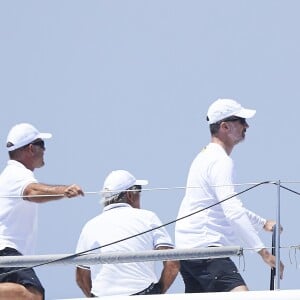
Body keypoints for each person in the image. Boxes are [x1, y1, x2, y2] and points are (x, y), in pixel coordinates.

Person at [175, 98, 284, 293]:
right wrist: (263, 252)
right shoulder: (220, 161)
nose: (247, 125)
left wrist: (261, 223)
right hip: (208, 250)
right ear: (225, 126)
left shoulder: (204, 156)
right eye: (241, 120)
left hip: (188, 253)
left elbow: (223, 204)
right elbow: (232, 210)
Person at [0, 123, 84, 300]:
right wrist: (64, 191)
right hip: (7, 250)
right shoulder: (16, 174)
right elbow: (32, 191)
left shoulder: (10, 175)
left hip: (6, 252)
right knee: (33, 295)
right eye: (42, 145)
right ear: (31, 148)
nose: (45, 150)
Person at [76, 169, 179, 297]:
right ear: (130, 195)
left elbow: (81, 276)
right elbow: (173, 263)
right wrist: (158, 291)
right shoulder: (148, 217)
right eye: (139, 191)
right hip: (143, 294)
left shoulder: (89, 226)